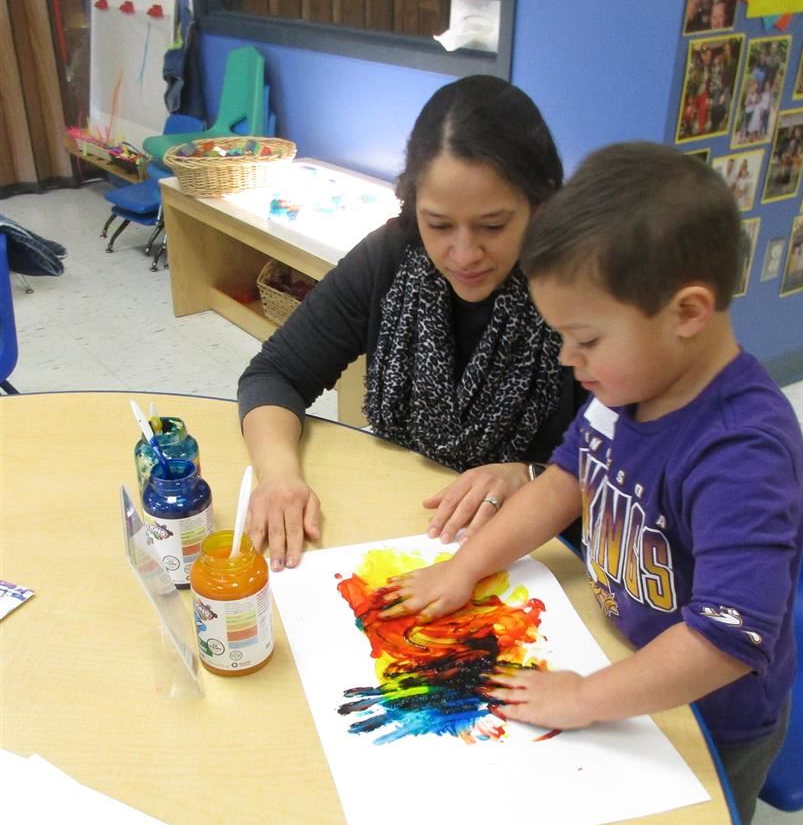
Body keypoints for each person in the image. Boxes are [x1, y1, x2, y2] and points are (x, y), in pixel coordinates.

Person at [381, 143, 803, 825]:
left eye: (583, 338)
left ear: (688, 311)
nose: (565, 358)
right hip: (623, 655)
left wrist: (583, 696)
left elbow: (724, 642)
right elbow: (562, 484)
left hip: (707, 718)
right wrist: (466, 565)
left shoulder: (741, 452)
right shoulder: (628, 387)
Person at [237, 76, 581, 569]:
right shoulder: (393, 257)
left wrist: (532, 475)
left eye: (493, 226)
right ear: (412, 203)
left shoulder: (585, 288)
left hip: (542, 556)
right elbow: (275, 374)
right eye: (439, 224)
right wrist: (279, 478)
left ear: (540, 204)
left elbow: (636, 466)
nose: (464, 254)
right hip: (410, 534)